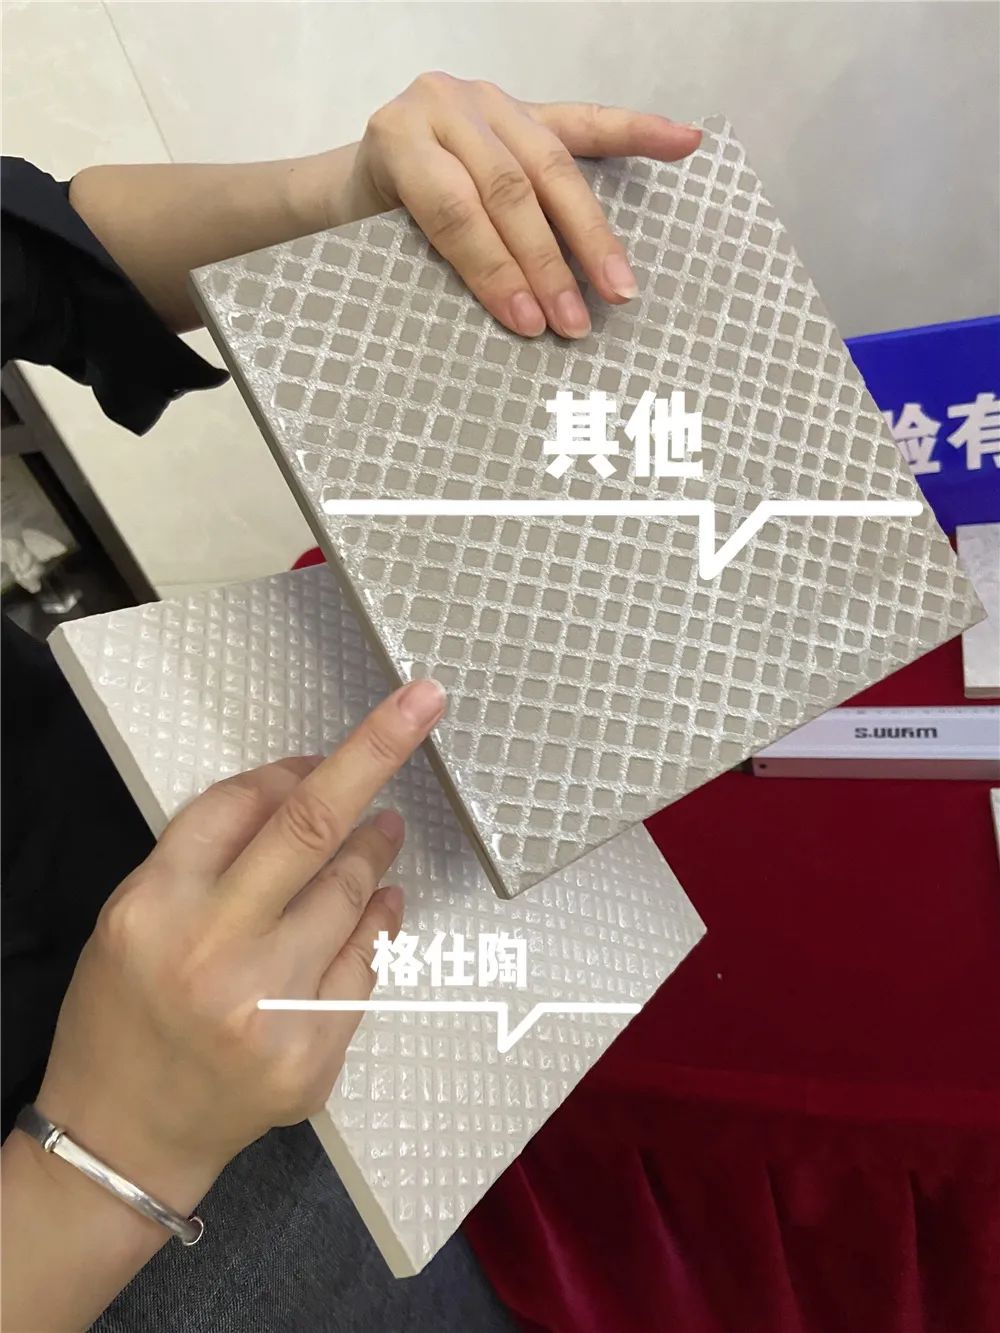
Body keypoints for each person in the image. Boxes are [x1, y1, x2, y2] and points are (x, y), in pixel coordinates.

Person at [0, 72, 701, 1331]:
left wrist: (330, 194)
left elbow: (30, 259)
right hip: (104, 1219)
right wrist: (109, 1155)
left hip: (182, 869)